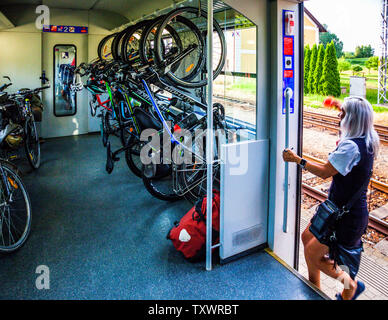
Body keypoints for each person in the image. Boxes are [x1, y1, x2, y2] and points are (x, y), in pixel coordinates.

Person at [283, 96, 380, 300]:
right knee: (306, 238)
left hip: (346, 216)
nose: (338, 116)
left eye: (343, 114)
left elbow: (325, 172)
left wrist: (296, 159)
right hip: (337, 209)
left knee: (313, 253)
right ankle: (315, 288)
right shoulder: (367, 138)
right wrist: (341, 105)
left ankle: (350, 286)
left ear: (353, 120)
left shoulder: (351, 148)